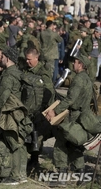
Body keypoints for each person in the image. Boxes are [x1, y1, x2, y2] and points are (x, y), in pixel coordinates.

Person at [45, 53, 94, 187]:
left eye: (76, 62)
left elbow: (70, 99)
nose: (73, 63)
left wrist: (55, 110)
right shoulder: (87, 79)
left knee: (60, 144)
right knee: (74, 146)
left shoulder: (78, 79)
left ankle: (61, 178)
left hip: (73, 116)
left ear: (81, 65)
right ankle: (82, 175)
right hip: (82, 116)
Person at [0, 47, 28, 185]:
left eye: (2, 56)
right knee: (20, 143)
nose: (0, 58)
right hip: (19, 111)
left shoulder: (8, 75)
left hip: (10, 112)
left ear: (7, 58)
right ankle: (22, 173)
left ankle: (15, 176)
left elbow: (3, 97)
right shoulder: (18, 72)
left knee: (13, 143)